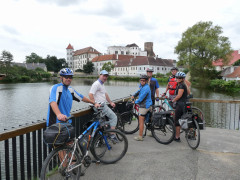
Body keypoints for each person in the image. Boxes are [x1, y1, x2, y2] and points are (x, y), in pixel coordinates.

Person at [89, 70, 118, 142]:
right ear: (100, 75)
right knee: (114, 117)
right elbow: (90, 94)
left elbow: (105, 94)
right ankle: (112, 135)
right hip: (99, 106)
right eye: (104, 75)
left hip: (101, 105)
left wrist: (110, 102)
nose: (105, 77)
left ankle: (101, 139)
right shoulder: (96, 84)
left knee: (102, 123)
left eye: (106, 76)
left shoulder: (101, 84)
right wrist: (95, 103)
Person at [131, 75, 152, 141]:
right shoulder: (143, 86)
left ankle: (140, 137)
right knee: (149, 120)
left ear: (146, 81)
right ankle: (152, 132)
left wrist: (135, 102)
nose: (142, 81)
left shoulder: (146, 88)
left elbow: (141, 98)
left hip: (144, 106)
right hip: (149, 105)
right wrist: (134, 95)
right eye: (141, 80)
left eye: (143, 80)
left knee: (141, 122)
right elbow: (139, 91)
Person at [172, 72, 190, 142]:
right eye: (176, 77)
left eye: (179, 78)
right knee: (187, 119)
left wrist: (173, 100)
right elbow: (188, 93)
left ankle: (177, 137)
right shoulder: (184, 85)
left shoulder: (181, 86)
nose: (177, 79)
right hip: (186, 104)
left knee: (177, 121)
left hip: (180, 105)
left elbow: (179, 96)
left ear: (182, 79)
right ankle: (191, 134)